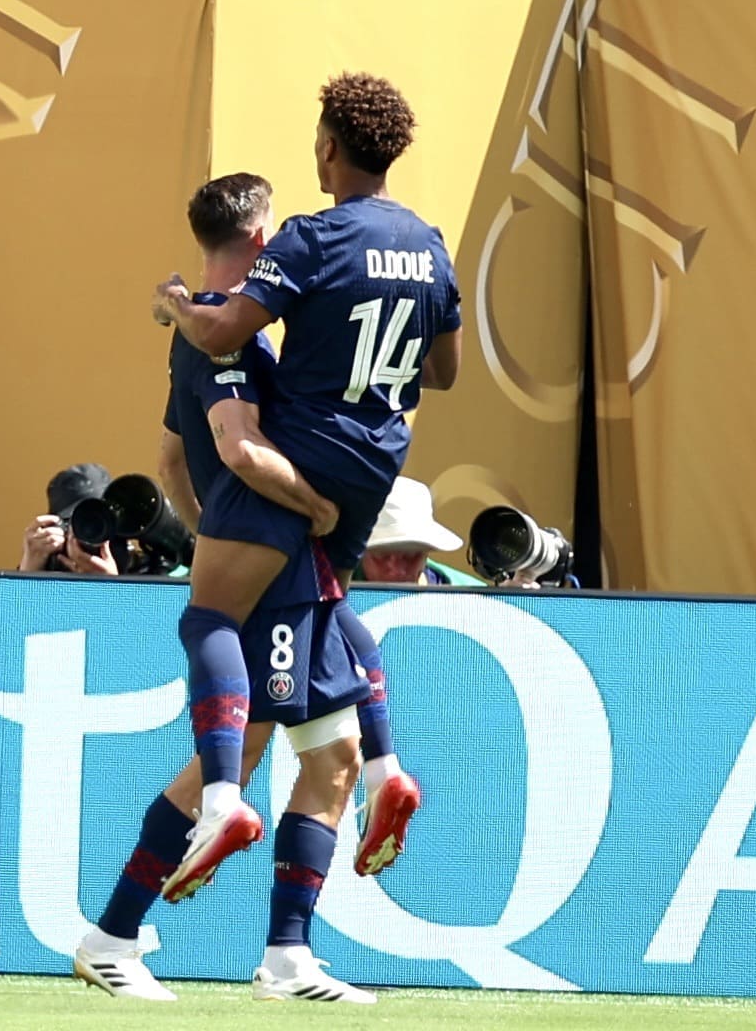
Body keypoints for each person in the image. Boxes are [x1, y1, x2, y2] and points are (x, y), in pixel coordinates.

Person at [76, 173, 402, 1005]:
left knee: (330, 757)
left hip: (274, 558)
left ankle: (287, 956)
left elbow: (169, 460)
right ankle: (113, 936)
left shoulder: (198, 323)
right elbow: (237, 446)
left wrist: (207, 532)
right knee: (246, 750)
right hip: (272, 558)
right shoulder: (227, 336)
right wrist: (312, 508)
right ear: (260, 238)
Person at [148, 75, 460, 904]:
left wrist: (175, 304)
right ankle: (384, 770)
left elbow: (222, 329)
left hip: (303, 453)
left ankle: (221, 802)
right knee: (328, 609)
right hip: (378, 459)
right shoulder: (430, 244)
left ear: (327, 147)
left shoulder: (312, 237)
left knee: (211, 619)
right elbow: (444, 370)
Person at [352, 476, 482, 586]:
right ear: (361, 553)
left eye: (410, 555)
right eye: (382, 555)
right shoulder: (339, 590)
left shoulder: (476, 600)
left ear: (426, 552)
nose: (397, 571)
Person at [17, 463, 124, 575]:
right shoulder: (49, 560)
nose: (89, 534)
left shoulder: (126, 557)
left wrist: (112, 581)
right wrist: (29, 569)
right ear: (54, 527)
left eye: (99, 524)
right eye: (78, 522)